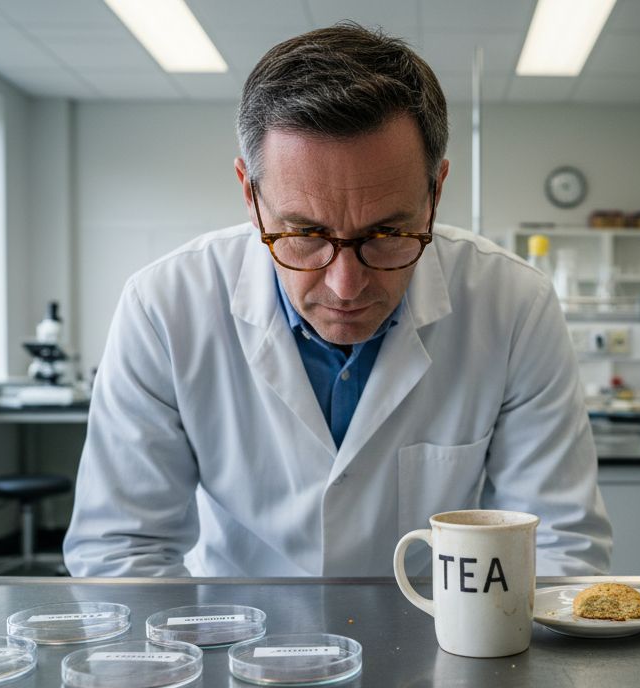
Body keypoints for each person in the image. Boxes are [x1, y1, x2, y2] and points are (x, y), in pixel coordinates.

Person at [64, 23, 611, 577]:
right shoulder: (165, 306)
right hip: (232, 641)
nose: (345, 287)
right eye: (304, 234)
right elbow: (121, 552)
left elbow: (559, 547)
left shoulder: (513, 304)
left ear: (436, 193)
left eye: (386, 234)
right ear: (251, 197)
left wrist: (478, 655)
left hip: (440, 639)